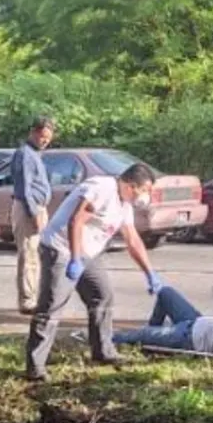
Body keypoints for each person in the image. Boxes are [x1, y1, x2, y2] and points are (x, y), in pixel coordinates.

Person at [25, 163, 163, 381]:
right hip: (61, 248)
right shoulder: (102, 188)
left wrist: (150, 273)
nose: (145, 196)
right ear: (131, 185)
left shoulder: (124, 205)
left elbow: (132, 239)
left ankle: (103, 351)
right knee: (52, 306)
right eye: (144, 190)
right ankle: (35, 367)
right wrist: (75, 259)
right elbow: (76, 220)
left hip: (88, 252)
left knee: (102, 296)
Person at [11, 115, 56, 315]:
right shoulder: (25, 154)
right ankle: (27, 301)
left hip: (39, 207)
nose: (45, 141)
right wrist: (33, 213)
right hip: (29, 208)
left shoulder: (36, 154)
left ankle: (34, 296)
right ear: (33, 132)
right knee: (28, 255)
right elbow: (24, 187)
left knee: (37, 256)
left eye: (48, 137)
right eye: (42, 136)